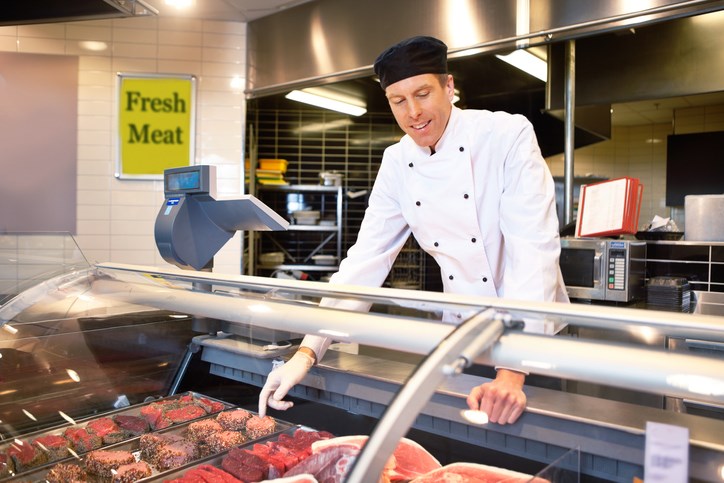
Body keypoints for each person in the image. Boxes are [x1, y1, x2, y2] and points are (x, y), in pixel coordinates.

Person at [258, 35, 569, 425]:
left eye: (423, 94)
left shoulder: (506, 136)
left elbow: (532, 249)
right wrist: (308, 351)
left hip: (533, 340)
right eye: (398, 101)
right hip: (465, 338)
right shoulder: (397, 161)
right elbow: (366, 260)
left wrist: (512, 370)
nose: (413, 113)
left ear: (449, 87)